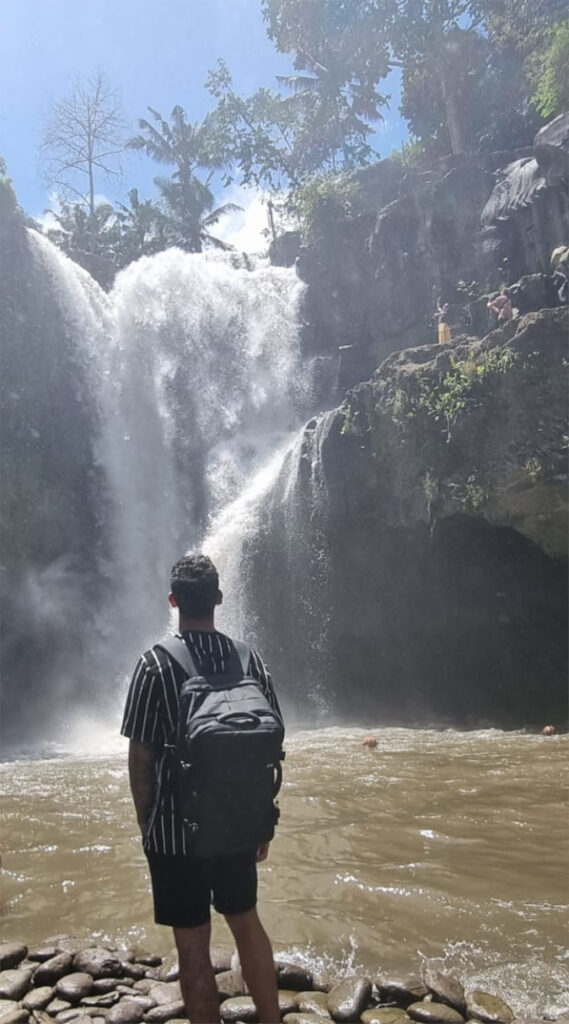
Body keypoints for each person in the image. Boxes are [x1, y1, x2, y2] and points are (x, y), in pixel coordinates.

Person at [121, 553, 283, 1024]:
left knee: (192, 946)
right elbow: (271, 742)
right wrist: (262, 820)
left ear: (173, 601)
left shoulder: (154, 665)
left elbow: (142, 756)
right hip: (238, 821)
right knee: (246, 922)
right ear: (218, 598)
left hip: (176, 832)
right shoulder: (249, 659)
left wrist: (147, 821)